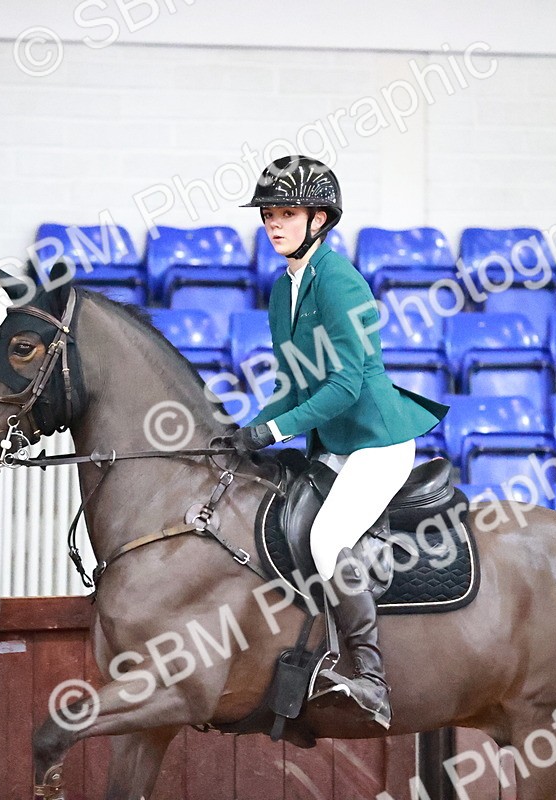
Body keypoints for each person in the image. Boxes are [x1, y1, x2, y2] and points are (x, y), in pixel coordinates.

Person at [221, 155, 449, 729]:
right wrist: (242, 430)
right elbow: (292, 380)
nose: (273, 224)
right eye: (268, 214)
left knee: (326, 539)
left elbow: (346, 383)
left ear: (319, 219)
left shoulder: (341, 280)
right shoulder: (283, 289)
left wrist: (273, 430)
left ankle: (371, 678)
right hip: (331, 443)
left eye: (287, 213)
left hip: (375, 441)